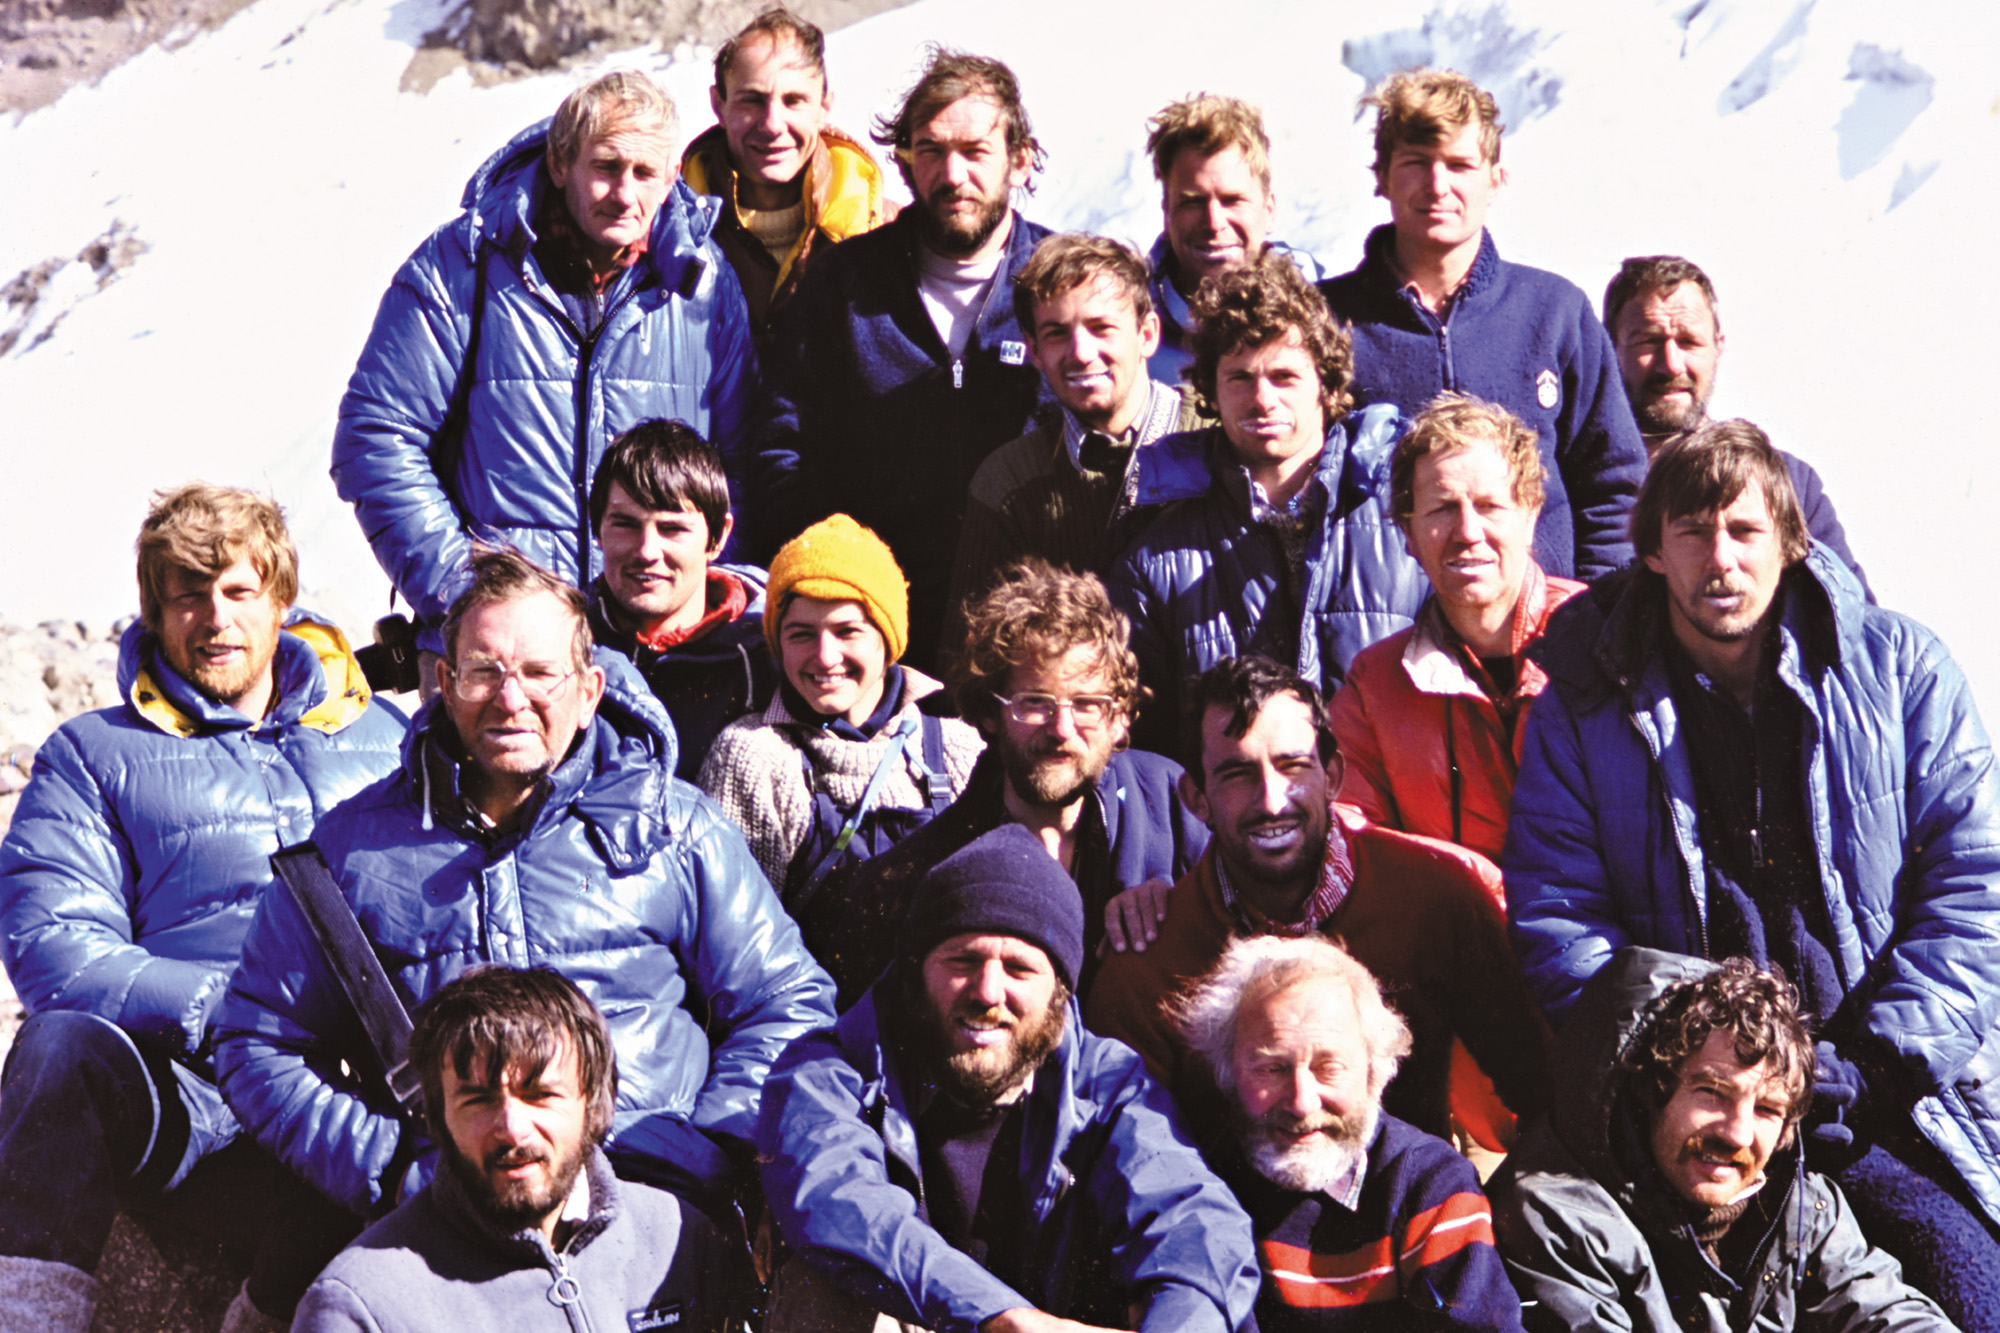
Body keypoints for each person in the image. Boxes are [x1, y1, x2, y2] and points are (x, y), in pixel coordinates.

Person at [1504, 422, 2000, 1328]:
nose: (1719, 558)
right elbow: (1557, 916)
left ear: (1791, 542)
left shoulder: (1899, 668)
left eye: (1744, 531)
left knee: (1972, 1288)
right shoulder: (1582, 701)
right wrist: (1675, 1075)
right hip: (1686, 1119)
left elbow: (1978, 888)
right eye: (1692, 531)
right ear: (1652, 550)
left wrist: (1879, 1065)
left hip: (1883, 1099)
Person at [215, 547, 835, 1225]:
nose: (512, 699)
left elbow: (787, 1000)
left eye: (541, 672)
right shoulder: (351, 849)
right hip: (450, 1227)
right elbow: (254, 1039)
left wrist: (707, 1149)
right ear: (445, 684)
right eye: (485, 672)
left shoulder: (676, 828)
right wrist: (390, 1168)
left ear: (589, 689)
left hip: (651, 1211)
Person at [0, 484, 407, 1331]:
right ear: (155, 612)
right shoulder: (93, 754)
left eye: (237, 591)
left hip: (358, 1089)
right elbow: (55, 943)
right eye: (188, 593)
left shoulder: (385, 736)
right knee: (57, 1048)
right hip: (198, 1098)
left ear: (282, 602)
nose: (214, 618)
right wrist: (229, 1014)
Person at [757, 824, 1262, 1333]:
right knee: (823, 1290)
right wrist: (1003, 1318)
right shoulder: (829, 1071)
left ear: (1060, 996)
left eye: (1019, 969)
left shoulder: (1109, 1085)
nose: (988, 991)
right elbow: (839, 1204)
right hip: (946, 1322)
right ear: (915, 972)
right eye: (963, 960)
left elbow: (1196, 1221)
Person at [332, 69, 757, 657]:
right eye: (606, 168)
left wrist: (696, 609)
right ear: (560, 165)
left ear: (671, 178)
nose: (625, 194)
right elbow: (375, 439)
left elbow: (739, 464)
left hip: (662, 651)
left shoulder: (703, 284)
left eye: (645, 174)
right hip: (501, 655)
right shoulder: (465, 264)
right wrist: (468, 595)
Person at [1087, 656, 1551, 1152]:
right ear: (1196, 798)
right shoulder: (1149, 959)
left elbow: (1545, 1092)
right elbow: (1126, 1157)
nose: (1271, 800)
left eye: (1293, 766)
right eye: (1237, 774)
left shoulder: (1436, 898)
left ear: (1332, 776)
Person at [752, 47, 1055, 669]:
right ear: (905, 161)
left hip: (1030, 634)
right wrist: (835, 583)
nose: (952, 173)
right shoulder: (844, 283)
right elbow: (780, 445)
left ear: (1019, 161)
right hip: (869, 634)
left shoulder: (1061, 284)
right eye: (932, 150)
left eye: (975, 152)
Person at [800, 559, 1208, 1007]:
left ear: (1120, 718)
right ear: (990, 714)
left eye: (1088, 704)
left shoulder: (1175, 803)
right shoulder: (915, 878)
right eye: (1034, 703)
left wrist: (1187, 905)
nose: (1061, 729)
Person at [1490, 949, 1957, 1331]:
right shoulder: (1555, 1217)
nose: (1736, 1133)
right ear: (1653, 1089)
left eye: (1768, 1110)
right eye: (1712, 1093)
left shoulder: (1802, 1209)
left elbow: (1887, 1313)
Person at [1320, 68, 1645, 582]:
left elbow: (1614, 485)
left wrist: (1592, 614)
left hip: (1545, 638)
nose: (1437, 185)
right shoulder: (1327, 320)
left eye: (1459, 164)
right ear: (1381, 176)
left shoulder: (1554, 311)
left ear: (1495, 178)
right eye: (1416, 163)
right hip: (1380, 636)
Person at [1105, 249, 1426, 754]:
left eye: (1284, 377)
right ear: (1210, 388)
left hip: (1384, 816)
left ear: (1326, 382)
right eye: (1240, 378)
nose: (1263, 399)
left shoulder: (1407, 514)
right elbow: (1142, 739)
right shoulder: (1155, 551)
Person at [293, 966, 733, 1332]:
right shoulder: (358, 1305)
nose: (513, 1130)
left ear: (595, 1105)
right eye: (478, 1100)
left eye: (540, 1094)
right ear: (438, 1117)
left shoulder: (681, 1235)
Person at [1180, 936, 1527, 1330]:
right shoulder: (1205, 1183)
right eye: (1271, 1069)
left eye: (1329, 1068)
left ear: (1374, 1072)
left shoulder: (1432, 1186)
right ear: (1227, 1074)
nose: (1302, 1102)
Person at [1330, 394, 1582, 863]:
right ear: (1407, 534)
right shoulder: (1375, 684)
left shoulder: (1603, 641)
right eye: (1442, 508)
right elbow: (1355, 840)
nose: (1467, 531)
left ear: (1530, 516)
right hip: (1454, 927)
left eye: (1489, 506)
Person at [698, 514, 983, 899]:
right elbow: (739, 937)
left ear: (889, 639)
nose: (826, 657)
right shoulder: (752, 757)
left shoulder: (958, 751)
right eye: (801, 634)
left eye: (847, 631)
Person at [944, 233, 1203, 653]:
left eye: (1102, 328)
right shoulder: (1009, 484)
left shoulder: (1216, 437)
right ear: (1034, 351)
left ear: (1147, 334)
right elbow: (973, 663)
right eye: (1057, 333)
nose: (1081, 352)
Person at [1602, 253, 1871, 596]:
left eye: (1689, 342)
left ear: (1718, 348)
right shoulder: (1577, 486)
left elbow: (1856, 623)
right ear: (1609, 349)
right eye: (1648, 342)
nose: (1670, 365)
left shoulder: (1788, 482)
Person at [680, 6, 894, 348]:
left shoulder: (885, 231)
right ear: (718, 105)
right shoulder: (669, 234)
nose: (772, 125)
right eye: (752, 100)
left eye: (794, 101)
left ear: (825, 106)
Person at [586, 419, 778, 782]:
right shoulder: (563, 643)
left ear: (718, 537)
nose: (646, 551)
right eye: (625, 524)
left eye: (672, 528)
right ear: (597, 528)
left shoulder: (774, 650)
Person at [1143, 93, 1325, 384]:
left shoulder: (1327, 308)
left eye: (1232, 200)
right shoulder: (1128, 326)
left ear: (1269, 208)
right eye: (1192, 202)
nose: (1214, 223)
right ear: (1166, 212)